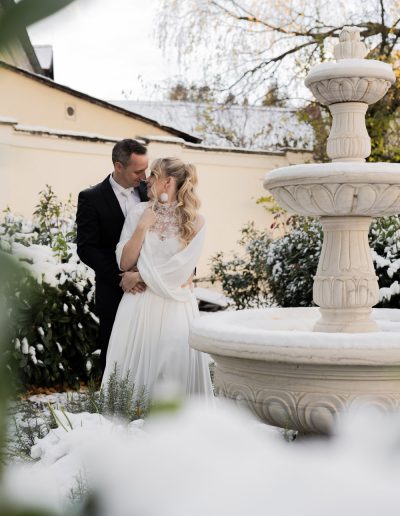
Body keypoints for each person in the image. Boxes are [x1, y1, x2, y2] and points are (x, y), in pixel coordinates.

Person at [101, 157, 213, 401]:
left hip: (175, 308)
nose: (147, 180)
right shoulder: (138, 212)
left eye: (153, 175)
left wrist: (140, 276)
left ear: (168, 181)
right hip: (138, 307)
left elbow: (181, 271)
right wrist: (142, 227)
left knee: (171, 373)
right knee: (130, 377)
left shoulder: (196, 222)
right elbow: (124, 262)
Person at [76, 139, 149, 373]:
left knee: (146, 351)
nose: (144, 175)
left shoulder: (150, 192)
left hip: (150, 287)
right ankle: (110, 404)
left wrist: (145, 274)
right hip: (113, 289)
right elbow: (86, 248)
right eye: (138, 170)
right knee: (113, 351)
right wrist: (123, 276)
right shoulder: (91, 198)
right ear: (119, 166)